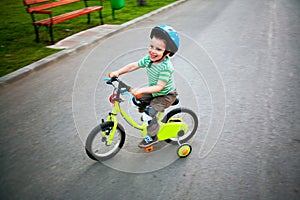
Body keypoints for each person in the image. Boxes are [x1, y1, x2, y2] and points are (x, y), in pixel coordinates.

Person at [109, 25, 179, 148]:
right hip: (155, 92)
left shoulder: (166, 67)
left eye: (158, 49)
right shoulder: (149, 59)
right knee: (136, 100)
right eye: (151, 46)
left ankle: (152, 136)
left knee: (147, 114)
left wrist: (140, 89)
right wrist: (118, 72)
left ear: (167, 53)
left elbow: (159, 87)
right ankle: (151, 118)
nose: (152, 51)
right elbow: (134, 65)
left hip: (166, 95)